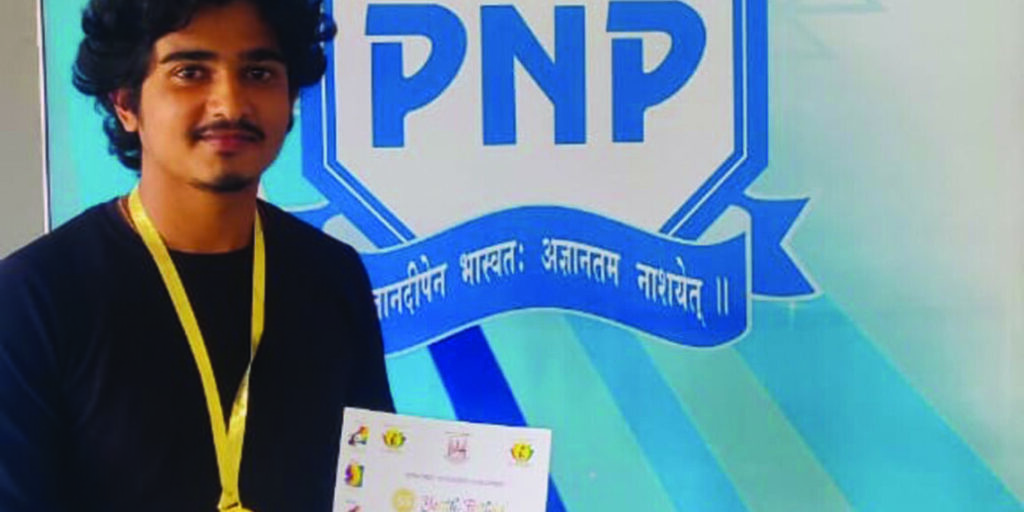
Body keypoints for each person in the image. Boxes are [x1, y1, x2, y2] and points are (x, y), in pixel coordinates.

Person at [0, 0, 394, 510]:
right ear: (125, 102)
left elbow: (377, 484)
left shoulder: (332, 275)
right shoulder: (34, 297)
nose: (229, 104)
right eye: (190, 72)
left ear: (290, 95)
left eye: (258, 72)